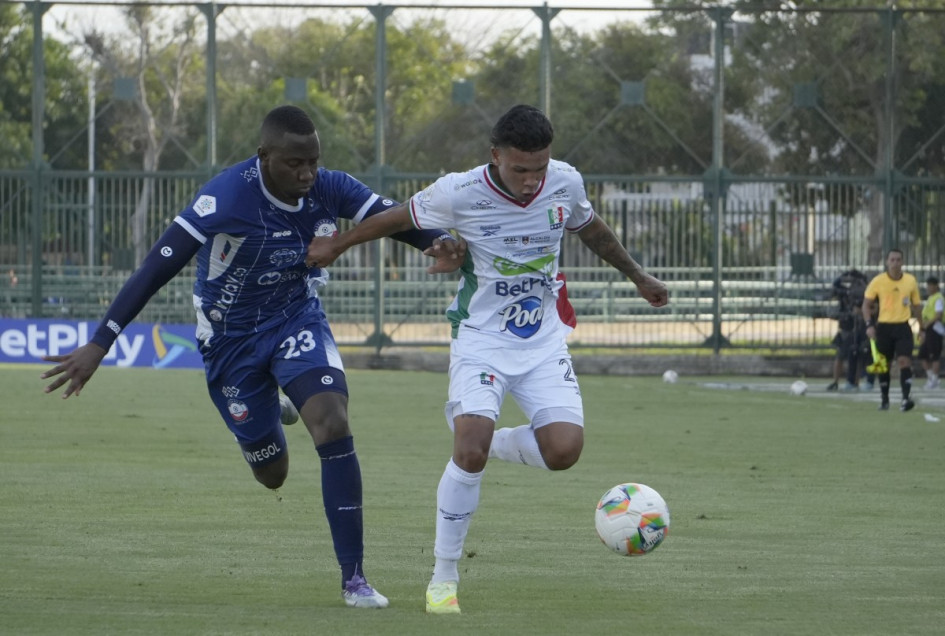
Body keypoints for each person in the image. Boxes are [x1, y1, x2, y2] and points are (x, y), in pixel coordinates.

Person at [40, 105, 464, 609]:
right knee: (273, 474)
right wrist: (99, 342)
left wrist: (436, 241)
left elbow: (392, 217)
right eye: (293, 164)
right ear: (263, 157)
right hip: (229, 342)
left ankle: (355, 578)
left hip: (295, 320)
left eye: (313, 162)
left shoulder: (329, 186)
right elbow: (155, 267)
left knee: (332, 421)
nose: (307, 175)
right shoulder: (226, 196)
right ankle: (278, 408)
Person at [305, 104, 669, 614]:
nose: (530, 180)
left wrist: (639, 276)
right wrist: (339, 244)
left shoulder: (564, 182)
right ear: (495, 156)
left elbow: (591, 229)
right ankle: (443, 578)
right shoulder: (459, 190)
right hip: (480, 338)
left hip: (542, 341)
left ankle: (482, 440)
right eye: (520, 169)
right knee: (467, 452)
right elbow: (397, 217)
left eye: (538, 168)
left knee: (564, 451)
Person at [861, 248, 921, 411]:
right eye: (892, 260)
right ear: (887, 262)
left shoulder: (910, 280)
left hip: (903, 327)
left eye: (898, 260)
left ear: (902, 262)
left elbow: (916, 306)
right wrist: (869, 325)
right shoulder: (878, 281)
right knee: (883, 365)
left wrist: (921, 327)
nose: (895, 263)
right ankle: (885, 399)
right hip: (884, 327)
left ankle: (905, 399)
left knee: (904, 361)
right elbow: (866, 305)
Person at [827, 268, 871, 392]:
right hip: (846, 325)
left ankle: (855, 381)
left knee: (858, 354)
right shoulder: (842, 290)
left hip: (859, 325)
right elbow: (834, 290)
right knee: (841, 354)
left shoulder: (863, 289)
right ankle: (836, 381)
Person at [918, 275, 944, 389]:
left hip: (935, 329)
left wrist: (927, 325)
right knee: (922, 354)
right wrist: (923, 329)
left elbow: (938, 315)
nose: (928, 288)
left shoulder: (938, 298)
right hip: (928, 330)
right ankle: (931, 377)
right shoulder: (930, 298)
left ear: (935, 286)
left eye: (930, 285)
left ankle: (934, 379)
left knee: (935, 356)